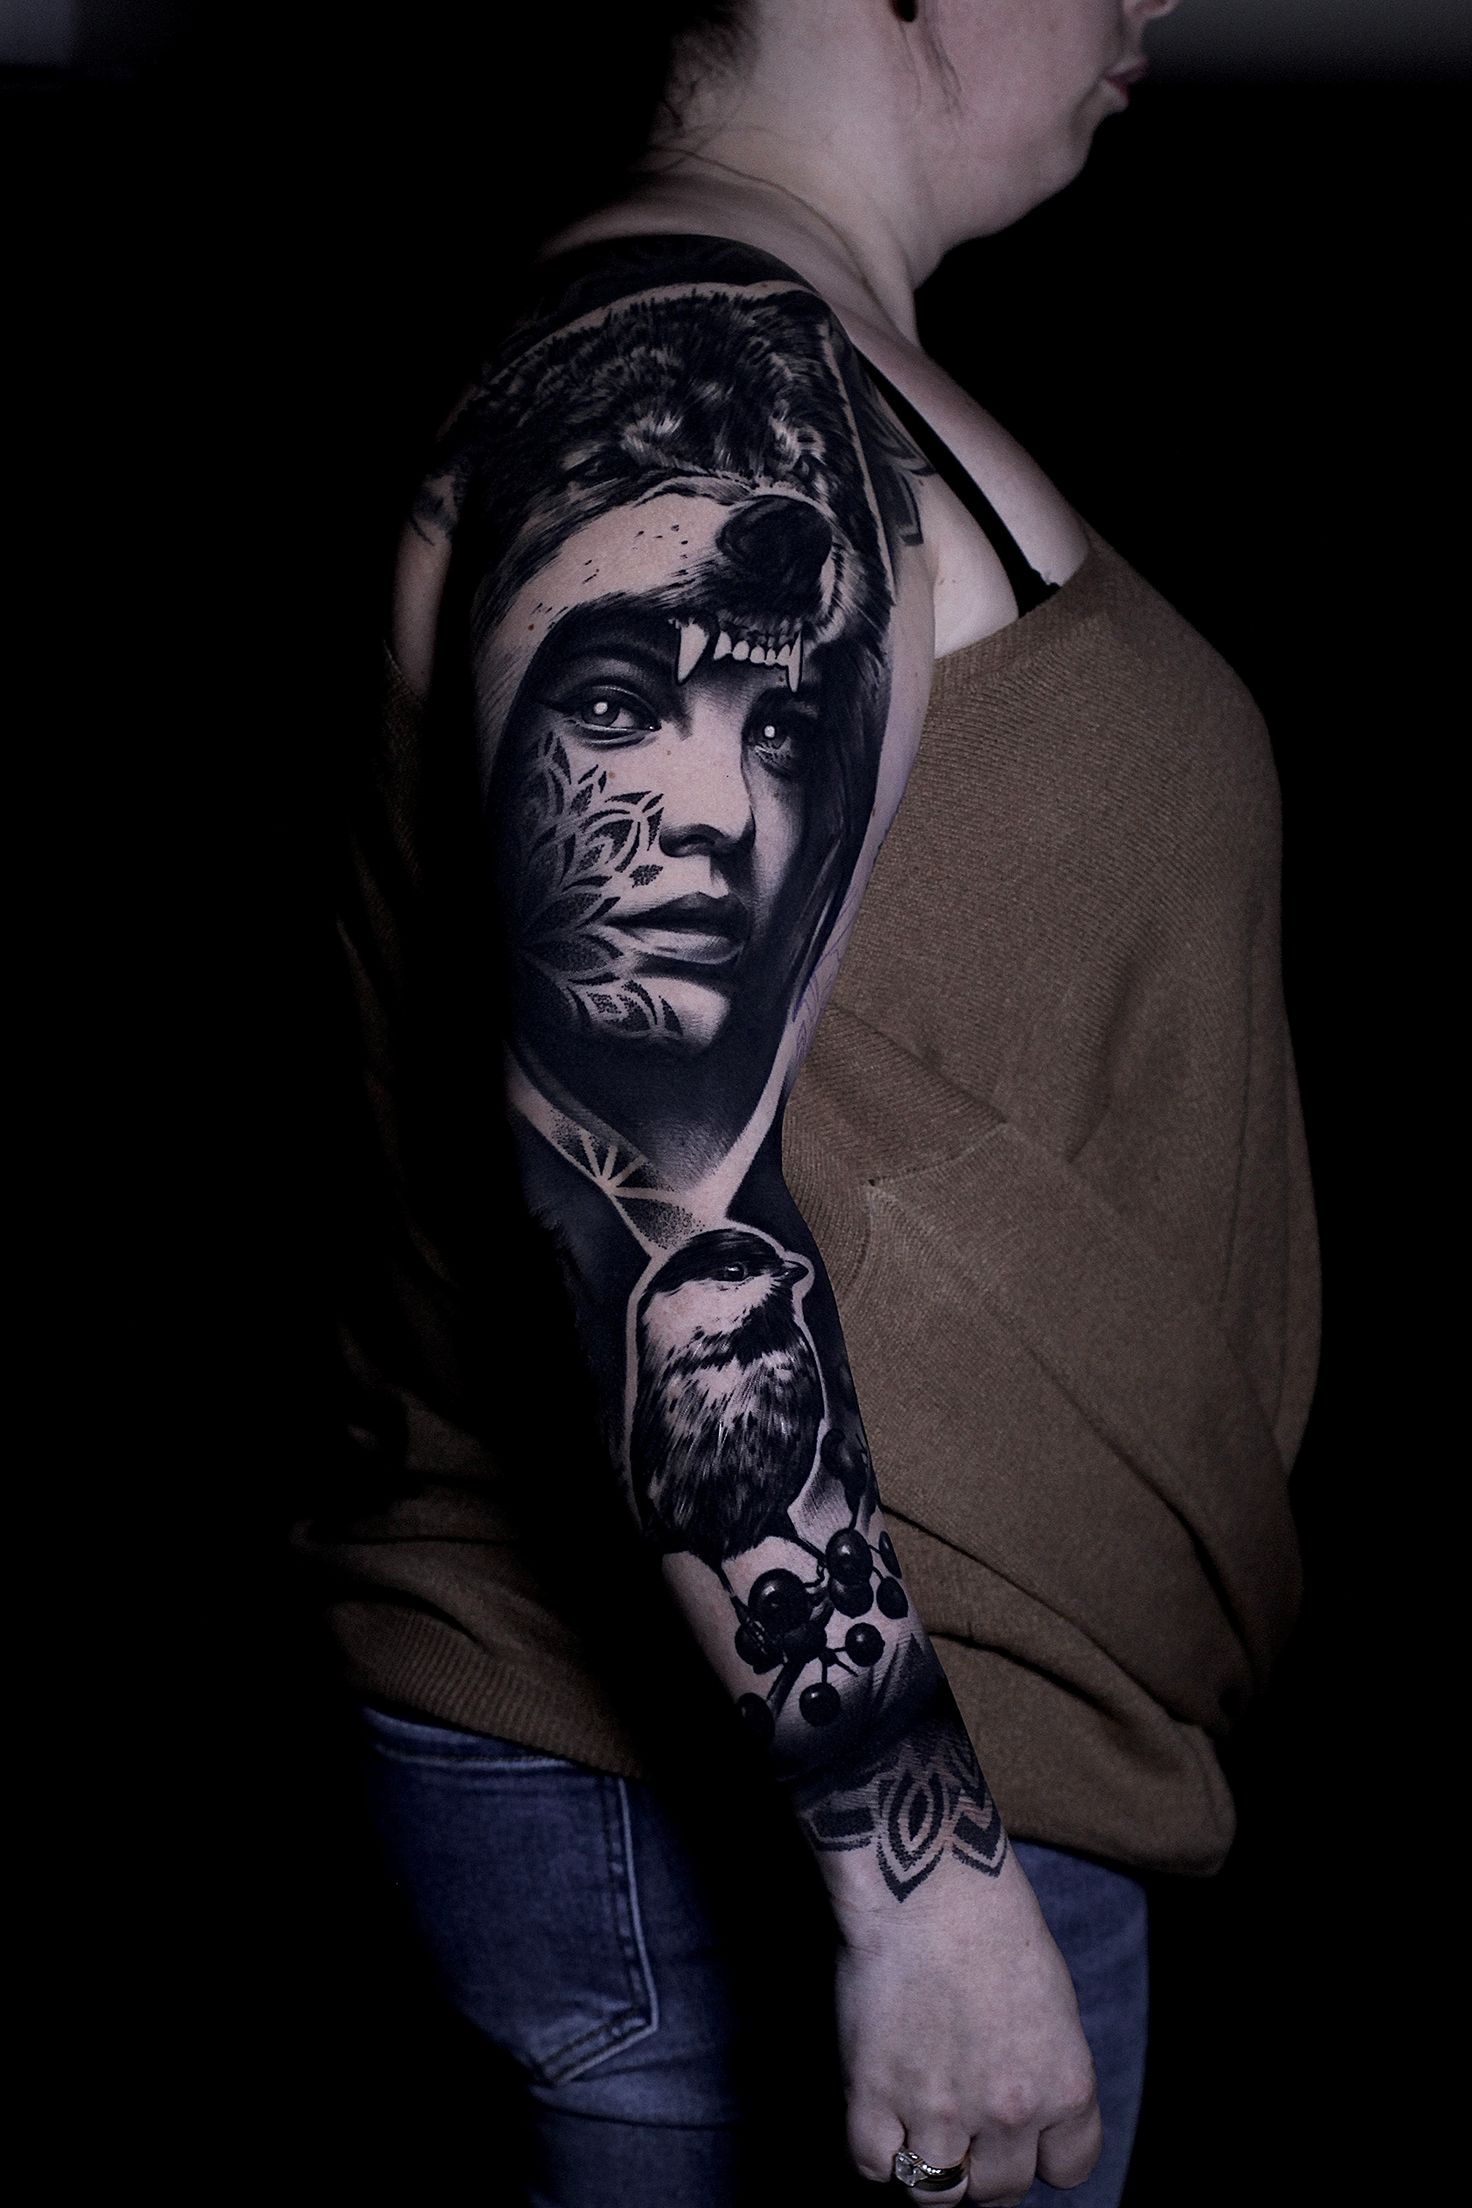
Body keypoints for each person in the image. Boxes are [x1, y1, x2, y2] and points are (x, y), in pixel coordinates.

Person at [296, 4, 1318, 2203]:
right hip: (787, 1791)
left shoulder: (759, 362)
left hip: (920, 1754)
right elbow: (642, 1163)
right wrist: (913, 1875)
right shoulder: (700, 378)